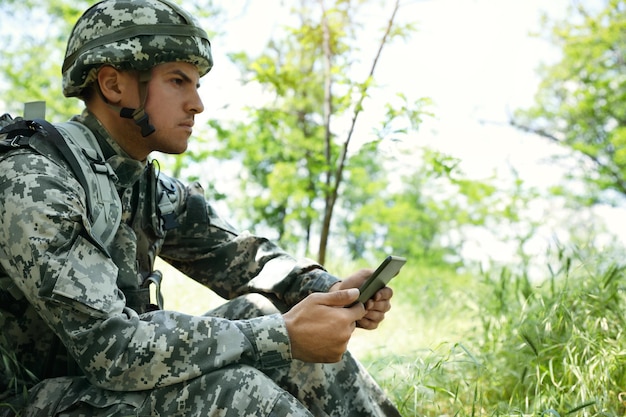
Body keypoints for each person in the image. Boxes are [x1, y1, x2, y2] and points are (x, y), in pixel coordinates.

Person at [0, 0, 402, 416]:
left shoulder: (139, 185)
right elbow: (112, 346)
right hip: (25, 401)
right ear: (113, 84)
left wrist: (329, 290)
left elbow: (243, 258)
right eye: (178, 81)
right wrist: (280, 336)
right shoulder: (34, 180)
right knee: (234, 389)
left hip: (92, 386)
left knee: (261, 311)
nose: (197, 104)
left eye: (196, 85)